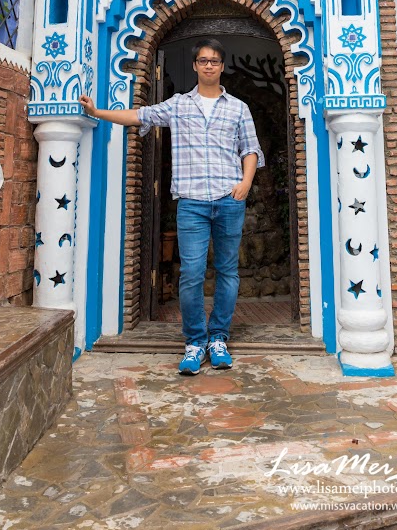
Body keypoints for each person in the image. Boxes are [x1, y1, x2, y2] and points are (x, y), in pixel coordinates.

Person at [79, 38, 264, 375]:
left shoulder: (238, 108)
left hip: (229, 200)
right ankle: (194, 342)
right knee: (191, 274)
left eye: (215, 60)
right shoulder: (178, 105)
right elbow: (138, 115)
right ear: (195, 66)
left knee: (227, 271)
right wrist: (96, 112)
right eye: (203, 60)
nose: (209, 65)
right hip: (191, 203)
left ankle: (218, 338)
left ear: (222, 66)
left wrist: (246, 183)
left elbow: (250, 149)